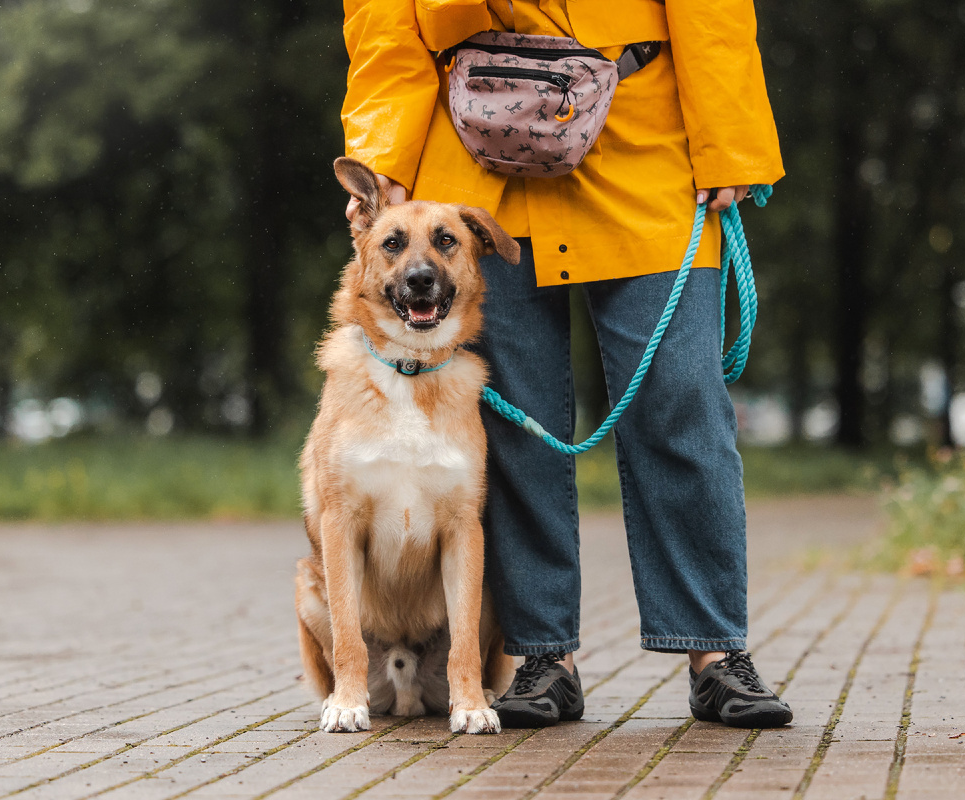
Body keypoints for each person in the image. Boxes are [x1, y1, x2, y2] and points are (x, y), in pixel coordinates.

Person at [340, 0, 793, 729]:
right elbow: (384, 25)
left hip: (642, 135)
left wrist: (730, 141)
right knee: (514, 423)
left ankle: (715, 652)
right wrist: (384, 162)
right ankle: (542, 656)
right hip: (475, 149)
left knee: (680, 396)